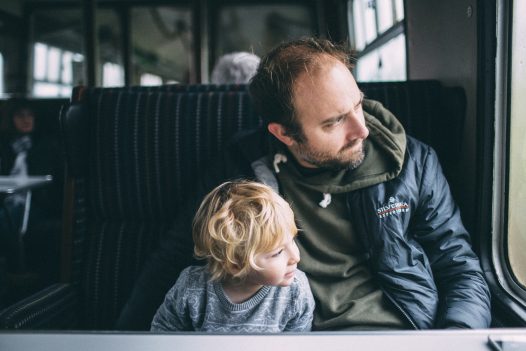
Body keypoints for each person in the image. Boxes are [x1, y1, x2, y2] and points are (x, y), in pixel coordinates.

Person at [117, 37, 491, 330]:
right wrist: (125, 341)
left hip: (401, 332)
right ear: (285, 134)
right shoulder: (240, 170)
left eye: (358, 104)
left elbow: (457, 264)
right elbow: (176, 256)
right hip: (291, 337)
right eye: (333, 122)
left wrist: (456, 335)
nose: (361, 130)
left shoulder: (415, 162)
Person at [150, 180, 314, 332]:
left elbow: (298, 345)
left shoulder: (297, 291)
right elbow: (162, 335)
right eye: (277, 252)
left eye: (292, 240)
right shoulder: (192, 288)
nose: (296, 257)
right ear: (235, 264)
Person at [0, 98, 63, 281]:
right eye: (20, 116)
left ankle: (16, 270)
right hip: (7, 198)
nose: (26, 120)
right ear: (11, 119)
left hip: (37, 201)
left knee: (7, 219)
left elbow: (53, 180)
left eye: (30, 115)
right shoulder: (5, 147)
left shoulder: (47, 145)